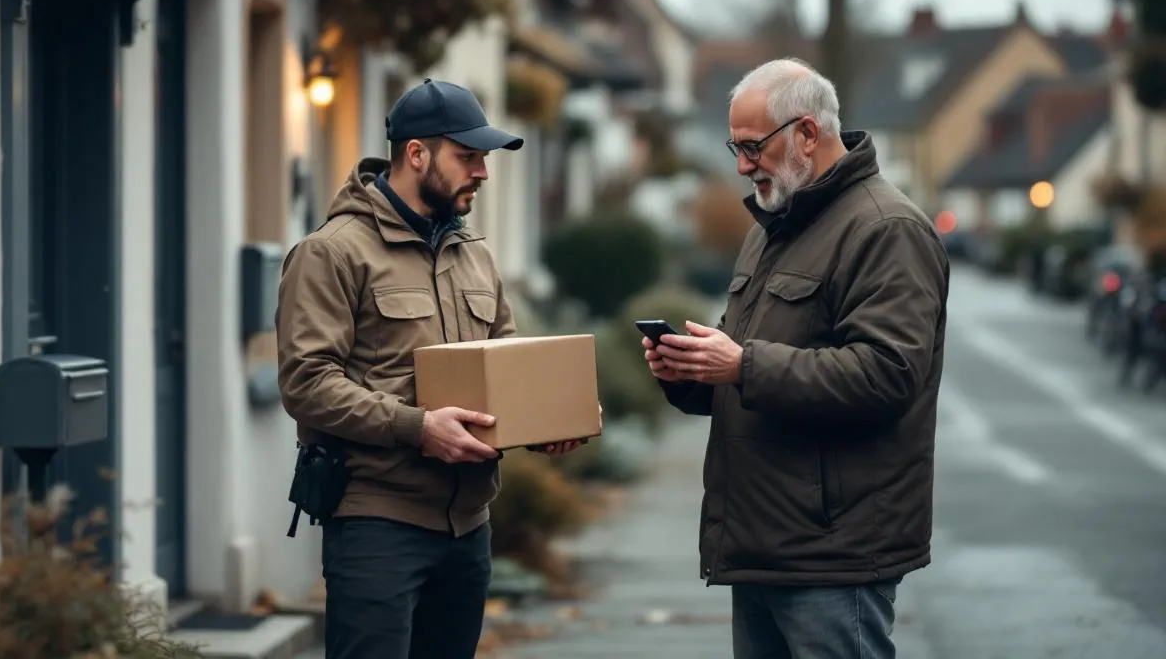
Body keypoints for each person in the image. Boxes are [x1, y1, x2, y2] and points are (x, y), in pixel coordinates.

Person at [642, 58, 950, 659]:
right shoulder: (773, 225)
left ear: (808, 134)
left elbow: (888, 374)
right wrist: (690, 373)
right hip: (764, 547)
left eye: (753, 145)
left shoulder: (887, 229)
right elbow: (750, 369)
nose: (740, 164)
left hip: (833, 553)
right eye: (736, 146)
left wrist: (742, 365)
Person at [277, 78, 586, 659]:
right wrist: (418, 427)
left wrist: (543, 423)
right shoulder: (332, 252)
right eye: (467, 157)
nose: (483, 173)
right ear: (416, 154)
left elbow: (505, 362)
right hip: (378, 526)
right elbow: (307, 383)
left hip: (468, 529)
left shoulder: (475, 254)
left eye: (484, 158)